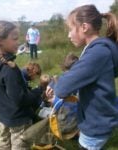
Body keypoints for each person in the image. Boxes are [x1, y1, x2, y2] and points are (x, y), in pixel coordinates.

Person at [46, 4, 118, 150]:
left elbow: (62, 88)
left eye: (71, 29)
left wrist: (58, 87)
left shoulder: (96, 54)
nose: (68, 35)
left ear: (84, 27)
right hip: (99, 119)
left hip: (95, 125)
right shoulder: (99, 49)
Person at [0, 20, 42, 150]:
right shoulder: (9, 68)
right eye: (15, 38)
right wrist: (39, 91)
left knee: (4, 144)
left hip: (3, 114)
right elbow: (20, 99)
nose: (18, 42)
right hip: (18, 119)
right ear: (1, 41)